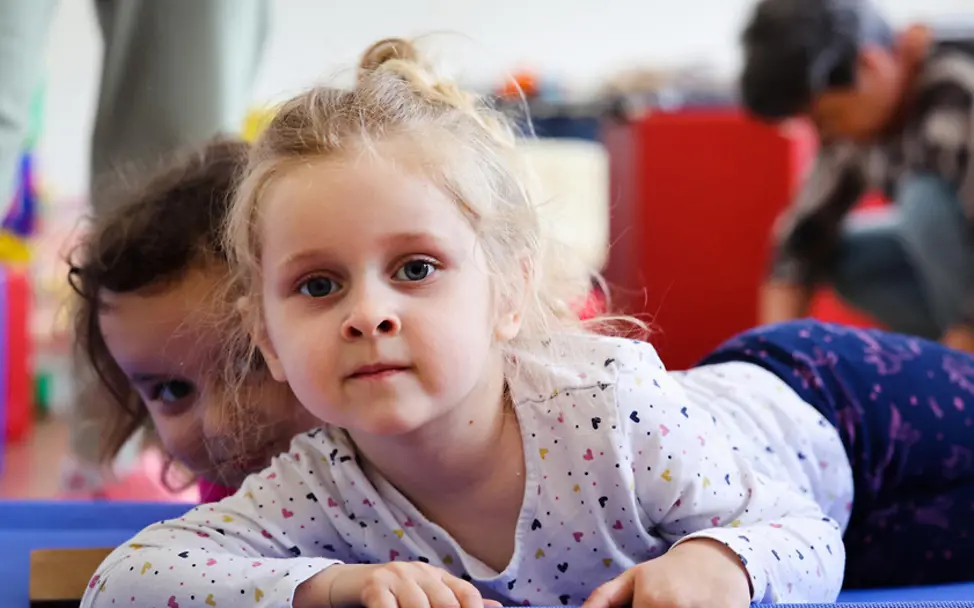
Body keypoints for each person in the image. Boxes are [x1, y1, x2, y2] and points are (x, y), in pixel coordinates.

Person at [69, 137, 319, 500]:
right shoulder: (231, 490)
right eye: (172, 390)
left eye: (250, 362)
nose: (220, 424)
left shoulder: (399, 470)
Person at [739, 0, 974, 351]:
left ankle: (958, 363)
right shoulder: (856, 127)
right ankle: (948, 354)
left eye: (828, 118)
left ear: (869, 63)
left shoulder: (957, 86)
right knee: (845, 255)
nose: (826, 133)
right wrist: (771, 358)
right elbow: (800, 244)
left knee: (923, 203)